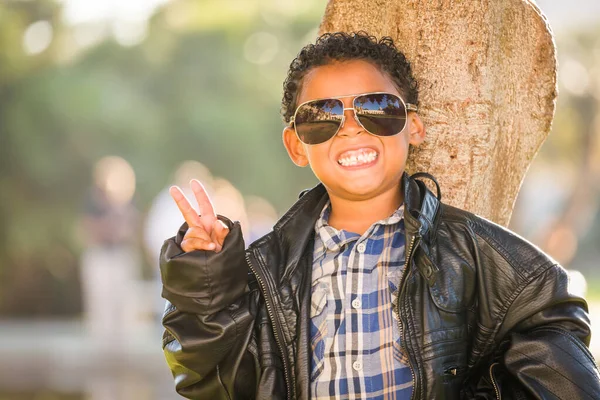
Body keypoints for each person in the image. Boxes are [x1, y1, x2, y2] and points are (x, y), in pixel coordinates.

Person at [159, 32, 600, 399]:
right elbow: (209, 379)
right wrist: (205, 276)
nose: (351, 127)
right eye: (322, 115)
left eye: (377, 109)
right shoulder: (266, 268)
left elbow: (556, 330)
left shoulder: (476, 252)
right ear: (296, 145)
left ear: (415, 126)